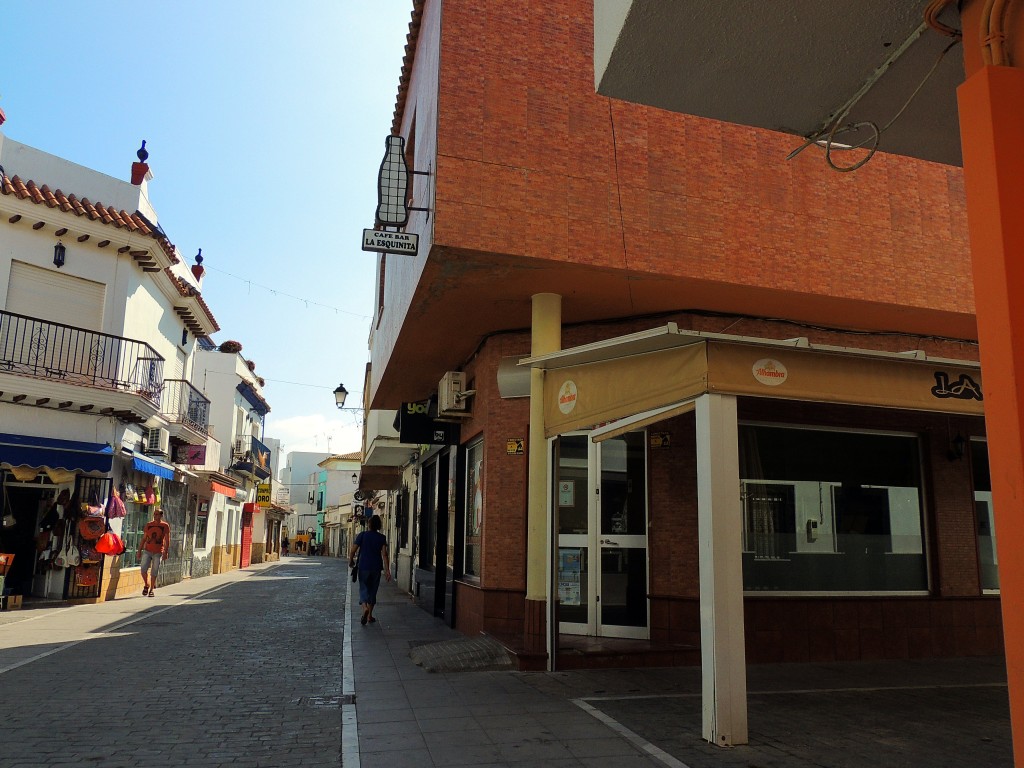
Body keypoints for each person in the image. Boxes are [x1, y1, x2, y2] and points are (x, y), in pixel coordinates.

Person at [348, 515, 391, 625]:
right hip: (376, 567)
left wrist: (351, 560)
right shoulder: (382, 537)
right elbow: (384, 554)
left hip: (363, 566)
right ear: (379, 525)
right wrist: (387, 570)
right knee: (373, 590)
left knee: (363, 588)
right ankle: (370, 616)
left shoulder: (362, 535)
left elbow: (353, 550)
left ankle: (365, 608)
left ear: (369, 524)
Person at [137, 507, 170, 597]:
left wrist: (166, 552)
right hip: (147, 550)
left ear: (161, 515)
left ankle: (151, 589)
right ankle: (146, 584)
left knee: (154, 571)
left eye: (157, 514)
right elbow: (144, 538)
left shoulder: (165, 526)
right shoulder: (149, 525)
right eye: (154, 514)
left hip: (158, 552)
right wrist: (139, 550)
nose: (155, 516)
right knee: (143, 570)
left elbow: (167, 540)